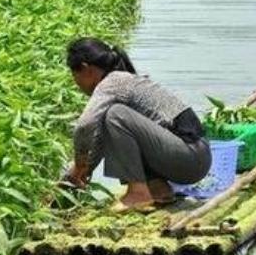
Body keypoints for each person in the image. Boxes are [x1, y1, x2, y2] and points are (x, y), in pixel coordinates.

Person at [63, 37, 211, 212]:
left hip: (190, 156)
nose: (76, 83)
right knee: (113, 117)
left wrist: (80, 164)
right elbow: (99, 139)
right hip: (192, 158)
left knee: (116, 114)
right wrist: (74, 177)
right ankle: (158, 190)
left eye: (74, 75)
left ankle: (138, 194)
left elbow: (84, 126)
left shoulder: (113, 82)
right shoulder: (121, 82)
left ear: (86, 69)